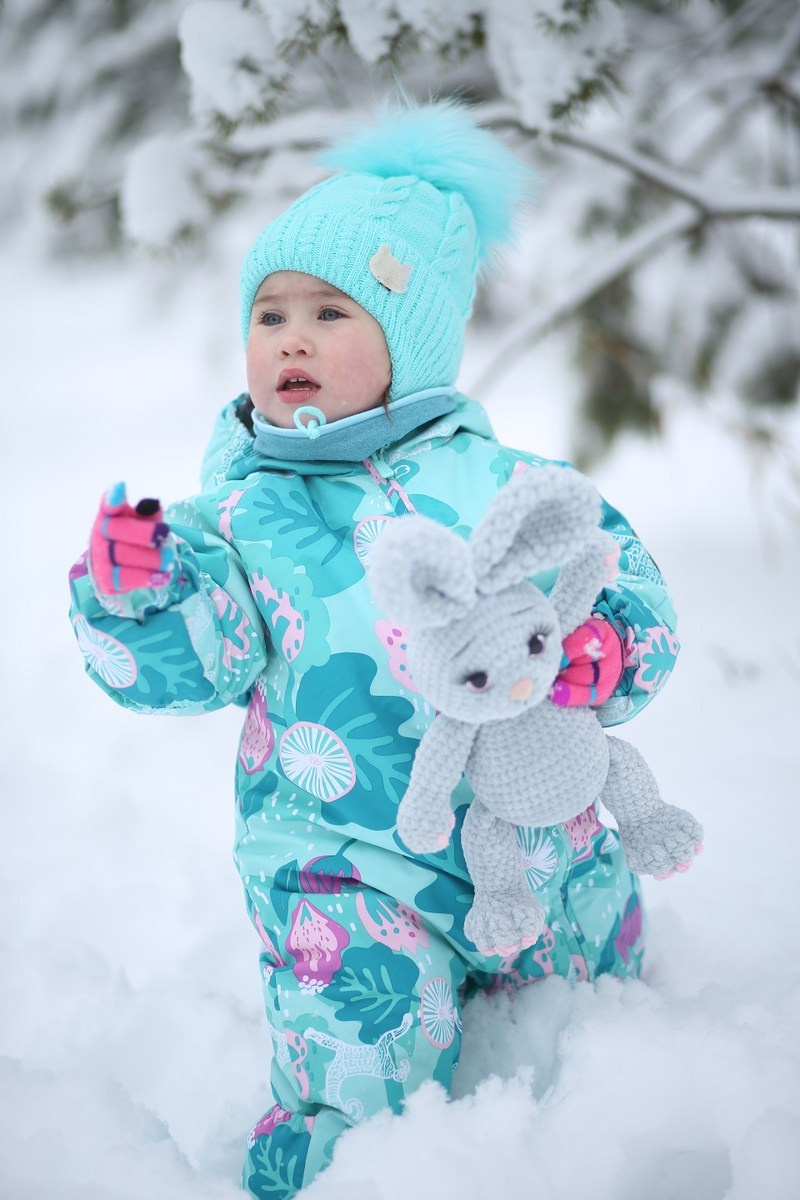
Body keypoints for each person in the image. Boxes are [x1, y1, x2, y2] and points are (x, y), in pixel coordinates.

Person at [69, 102, 680, 1199]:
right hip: (345, 868)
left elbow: (620, 577)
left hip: (535, 828)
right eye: (268, 314)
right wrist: (138, 598)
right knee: (358, 1066)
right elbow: (192, 667)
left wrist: (609, 646)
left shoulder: (504, 483)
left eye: (330, 311)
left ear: (411, 343)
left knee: (605, 1003)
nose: (289, 338)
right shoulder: (237, 522)